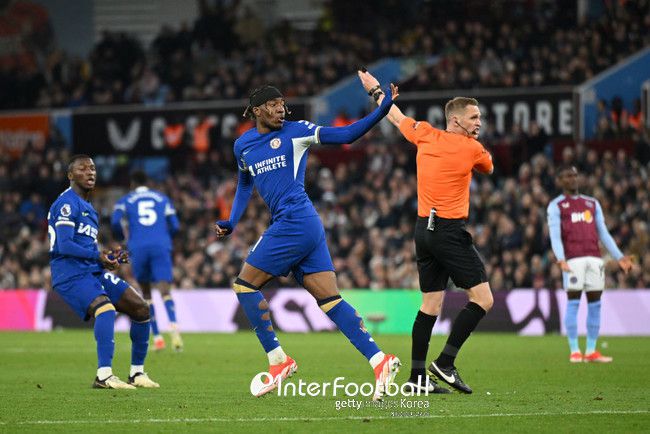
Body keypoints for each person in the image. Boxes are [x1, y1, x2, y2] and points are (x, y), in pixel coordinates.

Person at [215, 83, 401, 400]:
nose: (280, 109)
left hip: (295, 221)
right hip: (304, 225)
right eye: (273, 105)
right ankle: (379, 360)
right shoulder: (242, 145)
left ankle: (278, 360)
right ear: (256, 110)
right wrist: (231, 221)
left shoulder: (297, 131)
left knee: (245, 285)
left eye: (282, 104)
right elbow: (245, 184)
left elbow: (346, 135)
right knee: (329, 300)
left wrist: (382, 110)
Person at [358, 69, 495, 394]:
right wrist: (473, 147)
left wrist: (376, 91)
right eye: (474, 117)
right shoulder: (472, 148)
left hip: (424, 231)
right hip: (448, 231)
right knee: (483, 299)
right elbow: (489, 167)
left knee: (430, 304)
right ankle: (445, 363)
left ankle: (417, 378)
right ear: (456, 120)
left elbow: (393, 116)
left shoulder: (425, 133)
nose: (479, 122)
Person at [48, 155, 159, 389]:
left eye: (92, 168)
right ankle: (104, 376)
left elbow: (87, 248)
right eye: (82, 169)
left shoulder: (89, 208)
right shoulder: (66, 203)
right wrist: (98, 256)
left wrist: (108, 258)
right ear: (70, 175)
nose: (90, 172)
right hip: (69, 274)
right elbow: (64, 246)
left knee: (141, 308)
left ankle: (137, 373)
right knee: (105, 309)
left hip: (91, 271)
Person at [546, 164, 632, 363]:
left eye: (575, 175)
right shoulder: (556, 205)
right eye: (568, 176)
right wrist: (560, 258)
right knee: (573, 302)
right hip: (572, 259)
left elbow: (604, 233)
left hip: (595, 258)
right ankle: (575, 351)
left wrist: (619, 257)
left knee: (595, 304)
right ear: (560, 181)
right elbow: (555, 236)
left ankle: (591, 350)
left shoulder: (592, 203)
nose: (573, 179)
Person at [111, 170, 182, 351]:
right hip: (161, 246)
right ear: (148, 183)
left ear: (132, 184)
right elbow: (175, 225)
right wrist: (164, 237)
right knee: (165, 290)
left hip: (138, 247)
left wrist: (122, 238)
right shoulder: (162, 198)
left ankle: (157, 338)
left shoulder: (126, 200)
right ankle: (174, 329)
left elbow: (115, 222)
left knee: (147, 293)